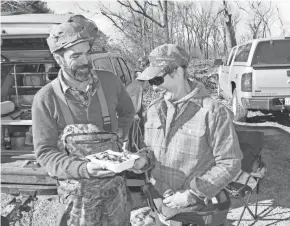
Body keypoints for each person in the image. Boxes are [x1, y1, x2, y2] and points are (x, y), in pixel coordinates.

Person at [32, 17, 140, 226]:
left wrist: (120, 137)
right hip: (77, 196)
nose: (85, 61)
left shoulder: (110, 81)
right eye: (76, 55)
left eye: (88, 53)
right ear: (58, 59)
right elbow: (45, 152)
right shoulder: (45, 98)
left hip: (115, 190)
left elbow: (128, 112)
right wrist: (83, 169)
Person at [135, 44, 244, 226]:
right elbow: (150, 150)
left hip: (196, 212)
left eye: (157, 80)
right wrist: (143, 160)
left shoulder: (213, 112)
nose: (153, 88)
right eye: (150, 82)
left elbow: (230, 162)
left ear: (178, 72)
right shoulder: (154, 110)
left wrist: (192, 194)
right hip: (160, 205)